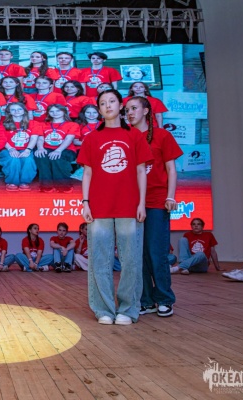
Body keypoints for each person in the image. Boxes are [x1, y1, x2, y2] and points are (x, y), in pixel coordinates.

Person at [77, 89, 153, 325]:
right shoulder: (92, 138)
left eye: (112, 101)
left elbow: (141, 171)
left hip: (129, 206)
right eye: (102, 103)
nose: (107, 106)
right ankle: (104, 309)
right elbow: (87, 173)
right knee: (99, 260)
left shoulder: (134, 136)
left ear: (121, 106)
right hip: (99, 207)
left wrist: (141, 203)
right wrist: (85, 203)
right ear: (99, 110)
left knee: (131, 260)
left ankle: (128, 310)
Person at [126, 96, 183, 318]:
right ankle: (146, 300)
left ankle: (164, 299)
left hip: (157, 201)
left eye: (134, 108)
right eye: (127, 110)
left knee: (155, 252)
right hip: (132, 204)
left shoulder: (162, 135)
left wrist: (170, 196)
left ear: (146, 111)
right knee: (137, 255)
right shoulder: (126, 137)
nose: (129, 113)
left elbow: (171, 170)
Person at [34, 104, 80, 193]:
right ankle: (46, 185)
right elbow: (40, 138)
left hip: (67, 149)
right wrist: (40, 148)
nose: (55, 113)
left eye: (58, 111)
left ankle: (63, 185)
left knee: (58, 157)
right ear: (48, 113)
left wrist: (58, 150)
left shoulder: (72, 124)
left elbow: (69, 139)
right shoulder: (43, 124)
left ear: (64, 111)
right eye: (52, 111)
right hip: (47, 148)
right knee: (41, 156)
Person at [0, 102, 40, 191]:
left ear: (24, 111)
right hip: (7, 149)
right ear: (9, 112)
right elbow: (2, 139)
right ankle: (12, 182)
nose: (16, 111)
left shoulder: (34, 123)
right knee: (13, 159)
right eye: (13, 109)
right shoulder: (3, 124)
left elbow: (34, 138)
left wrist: (28, 150)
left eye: (19, 109)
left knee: (28, 159)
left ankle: (24, 182)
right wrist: (11, 149)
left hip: (26, 149)